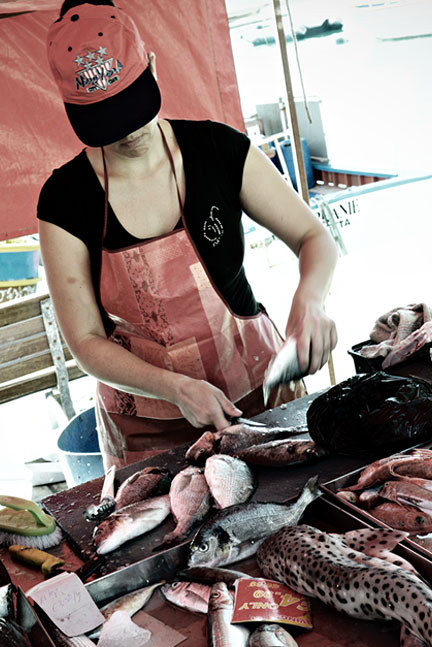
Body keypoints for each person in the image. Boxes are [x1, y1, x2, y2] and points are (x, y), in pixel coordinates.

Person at [38, 0, 338, 469]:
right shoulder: (64, 199)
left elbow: (313, 237)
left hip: (260, 391)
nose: (127, 131)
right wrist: (174, 387)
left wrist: (311, 300)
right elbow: (85, 341)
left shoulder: (218, 148)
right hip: (147, 425)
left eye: (132, 104)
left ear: (153, 67)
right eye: (105, 119)